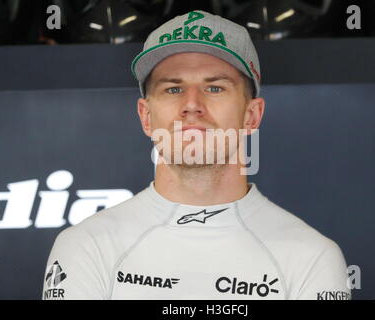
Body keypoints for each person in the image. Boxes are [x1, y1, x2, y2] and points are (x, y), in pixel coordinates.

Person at [42, 10, 350, 300]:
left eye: (215, 88)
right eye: (173, 89)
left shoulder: (312, 256)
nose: (192, 104)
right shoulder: (86, 246)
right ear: (146, 117)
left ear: (252, 116)